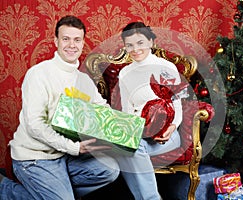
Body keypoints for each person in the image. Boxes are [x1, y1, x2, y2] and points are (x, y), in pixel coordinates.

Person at [0, 15, 119, 200]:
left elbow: (102, 109)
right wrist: (74, 147)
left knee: (110, 169)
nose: (72, 45)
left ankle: (58, 192)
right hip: (35, 157)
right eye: (66, 39)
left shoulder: (84, 79)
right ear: (56, 41)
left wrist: (128, 127)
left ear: (82, 43)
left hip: (65, 155)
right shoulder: (39, 74)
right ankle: (5, 188)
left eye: (77, 40)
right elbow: (35, 126)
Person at [116, 22, 184, 200]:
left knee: (130, 148)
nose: (135, 49)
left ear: (151, 42)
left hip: (167, 136)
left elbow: (177, 105)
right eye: (129, 45)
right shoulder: (124, 73)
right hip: (140, 133)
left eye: (140, 43)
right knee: (127, 146)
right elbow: (127, 110)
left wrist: (172, 128)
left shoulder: (166, 68)